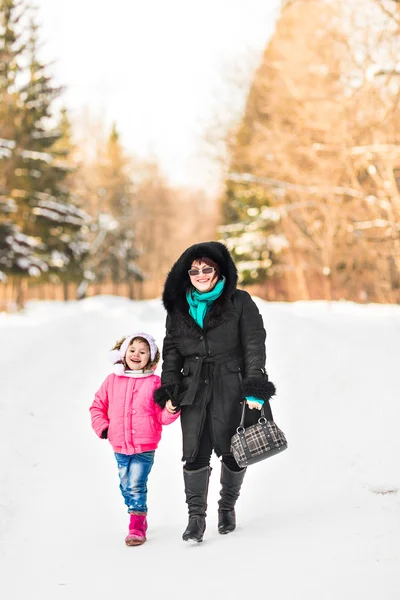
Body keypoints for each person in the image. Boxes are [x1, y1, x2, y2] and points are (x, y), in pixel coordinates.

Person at [154, 241, 276, 543]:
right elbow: (172, 352)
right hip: (193, 387)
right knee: (194, 453)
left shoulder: (240, 302)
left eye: (207, 268)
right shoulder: (179, 307)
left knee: (235, 451)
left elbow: (254, 346)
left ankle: (227, 507)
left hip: (231, 385)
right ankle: (196, 518)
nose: (200, 274)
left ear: (218, 271)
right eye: (194, 270)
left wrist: (255, 387)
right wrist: (168, 388)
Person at [90, 332, 179, 546]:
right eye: (132, 350)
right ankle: (137, 514)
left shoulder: (155, 383)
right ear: (123, 353)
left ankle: (136, 524)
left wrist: (171, 410)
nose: (136, 355)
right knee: (125, 484)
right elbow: (97, 406)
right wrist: (104, 428)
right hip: (119, 444)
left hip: (144, 445)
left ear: (151, 357)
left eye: (142, 351)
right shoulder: (112, 380)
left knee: (137, 484)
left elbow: (162, 417)